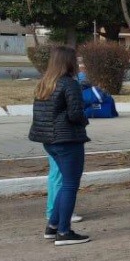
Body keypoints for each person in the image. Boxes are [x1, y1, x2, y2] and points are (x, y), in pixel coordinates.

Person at [28, 45, 91, 245]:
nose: (77, 64)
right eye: (75, 60)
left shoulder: (44, 84)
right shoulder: (70, 84)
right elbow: (75, 114)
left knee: (65, 184)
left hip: (49, 140)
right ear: (68, 62)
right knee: (71, 185)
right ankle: (64, 231)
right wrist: (84, 120)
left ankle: (53, 226)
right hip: (68, 139)